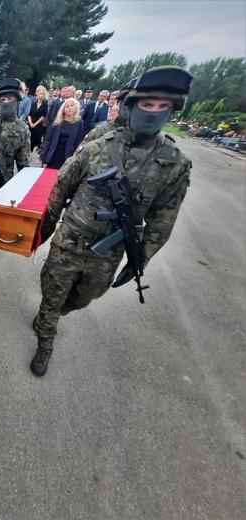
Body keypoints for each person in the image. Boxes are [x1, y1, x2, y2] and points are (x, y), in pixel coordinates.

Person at [30, 65, 193, 377]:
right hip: (70, 241)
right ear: (133, 106)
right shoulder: (97, 147)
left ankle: (53, 313)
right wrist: (42, 233)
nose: (153, 111)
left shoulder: (175, 163)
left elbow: (163, 218)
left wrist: (140, 258)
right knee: (53, 292)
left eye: (163, 106)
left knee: (85, 297)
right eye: (147, 104)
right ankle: (45, 337)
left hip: (109, 251)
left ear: (172, 111)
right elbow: (59, 192)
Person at [0, 77, 32, 188]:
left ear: (17, 100)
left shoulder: (22, 129)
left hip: (3, 182)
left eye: (10, 99)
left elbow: (24, 165)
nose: (6, 102)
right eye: (3, 100)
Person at [38, 98, 85, 169]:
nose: (70, 108)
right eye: (67, 106)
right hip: (54, 153)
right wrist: (42, 156)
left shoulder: (79, 122)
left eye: (72, 106)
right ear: (63, 109)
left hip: (68, 154)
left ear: (76, 107)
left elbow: (78, 141)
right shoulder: (57, 121)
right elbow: (48, 140)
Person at [28, 85, 49, 152]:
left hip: (38, 124)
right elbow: (29, 114)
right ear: (37, 93)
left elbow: (43, 116)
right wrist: (31, 123)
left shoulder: (45, 104)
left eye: (43, 94)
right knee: (28, 140)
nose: (41, 95)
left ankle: (30, 153)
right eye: (40, 93)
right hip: (30, 123)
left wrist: (35, 124)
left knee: (34, 141)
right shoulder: (33, 103)